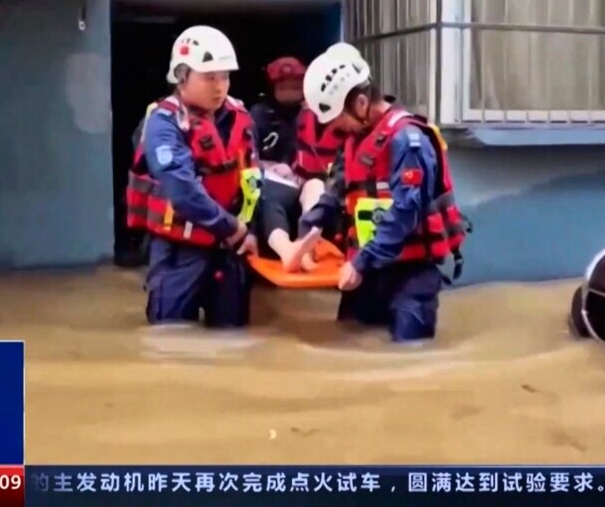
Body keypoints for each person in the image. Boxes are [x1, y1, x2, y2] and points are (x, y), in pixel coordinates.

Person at [289, 49, 469, 342]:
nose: (333, 128)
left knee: (408, 353)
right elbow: (337, 191)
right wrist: (310, 226)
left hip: (409, 274)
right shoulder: (356, 138)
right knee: (348, 339)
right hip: (370, 269)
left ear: (360, 102)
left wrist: (360, 262)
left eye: (337, 118)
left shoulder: (408, 140)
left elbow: (406, 212)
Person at [126, 25, 260, 327]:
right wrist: (233, 228)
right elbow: (182, 190)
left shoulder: (241, 118)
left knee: (234, 339)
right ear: (182, 76)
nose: (219, 87)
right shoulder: (164, 122)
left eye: (224, 76)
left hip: (229, 248)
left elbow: (253, 182)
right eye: (209, 77)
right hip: (179, 252)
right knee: (170, 341)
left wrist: (250, 230)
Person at [250, 56, 346, 271]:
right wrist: (269, 166)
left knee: (316, 189)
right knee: (267, 195)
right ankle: (287, 250)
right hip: (281, 182)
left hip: (319, 185)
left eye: (295, 85)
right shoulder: (259, 115)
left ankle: (308, 247)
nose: (290, 91)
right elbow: (247, 155)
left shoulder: (325, 115)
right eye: (284, 86)